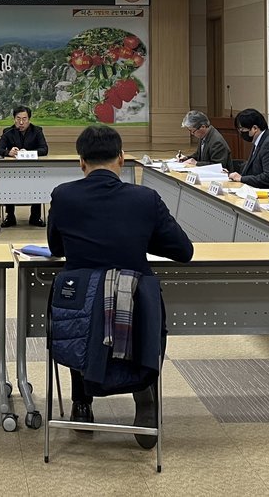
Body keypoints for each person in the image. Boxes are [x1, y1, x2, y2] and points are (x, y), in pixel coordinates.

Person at [47, 124, 194, 448]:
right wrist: (138, 237)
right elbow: (183, 251)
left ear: (81, 162)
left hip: (80, 306)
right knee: (134, 302)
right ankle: (145, 396)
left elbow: (56, 247)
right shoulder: (145, 198)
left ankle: (81, 404)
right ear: (122, 159)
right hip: (134, 303)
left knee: (81, 310)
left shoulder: (63, 195)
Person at [0, 105, 50, 227]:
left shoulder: (37, 131)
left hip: (33, 170)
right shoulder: (8, 131)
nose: (21, 122)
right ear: (14, 119)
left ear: (29, 119)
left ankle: (35, 217)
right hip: (12, 171)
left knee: (37, 185)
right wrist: (8, 152)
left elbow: (44, 149)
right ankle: (10, 216)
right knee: (8, 184)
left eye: (24, 119)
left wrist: (28, 153)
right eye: (18, 119)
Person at [227, 108, 269, 196]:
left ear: (255, 128)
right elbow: (253, 168)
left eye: (242, 130)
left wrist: (242, 179)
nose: (241, 133)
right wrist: (230, 173)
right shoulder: (260, 140)